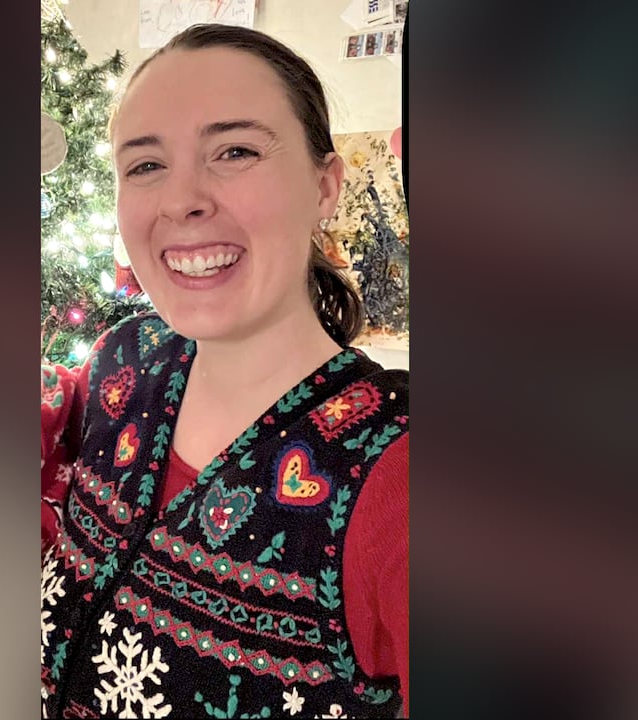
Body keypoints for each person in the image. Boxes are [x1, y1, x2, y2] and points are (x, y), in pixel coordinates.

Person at [40, 24, 409, 719]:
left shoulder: (398, 471)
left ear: (325, 185)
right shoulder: (124, 361)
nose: (182, 201)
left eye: (234, 150)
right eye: (145, 166)